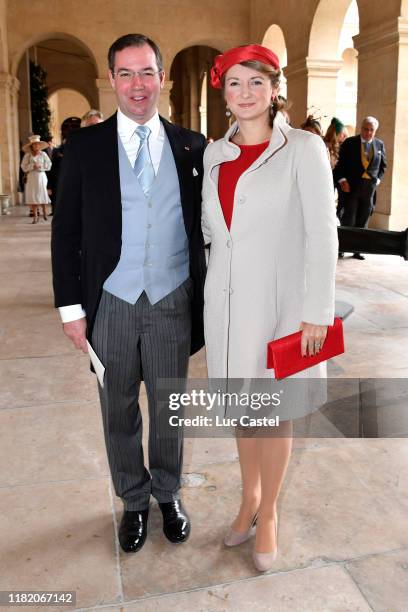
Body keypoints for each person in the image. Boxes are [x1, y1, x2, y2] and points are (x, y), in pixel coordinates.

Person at [51, 34, 206, 554]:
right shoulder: (83, 148)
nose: (137, 85)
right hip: (110, 303)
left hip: (171, 301)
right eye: (126, 74)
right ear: (112, 80)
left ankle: (168, 493)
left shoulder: (192, 147)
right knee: (117, 408)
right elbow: (66, 233)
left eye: (146, 73)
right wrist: (72, 310)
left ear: (161, 77)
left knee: (169, 408)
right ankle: (133, 500)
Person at [202, 45, 338, 572]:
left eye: (256, 82)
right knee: (243, 411)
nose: (245, 93)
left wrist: (316, 312)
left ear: (275, 89)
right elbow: (213, 234)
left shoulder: (302, 148)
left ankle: (272, 512)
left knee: (275, 414)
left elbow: (323, 235)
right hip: (229, 307)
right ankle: (248, 498)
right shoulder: (214, 155)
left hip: (283, 307)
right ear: (224, 93)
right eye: (234, 83)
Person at [334, 116, 387, 259]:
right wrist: (342, 180)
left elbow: (383, 166)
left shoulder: (379, 145)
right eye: (365, 129)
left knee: (363, 219)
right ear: (361, 128)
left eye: (371, 130)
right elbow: (340, 166)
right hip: (351, 187)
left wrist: (377, 181)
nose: (368, 133)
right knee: (348, 218)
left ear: (375, 131)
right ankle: (343, 247)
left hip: (369, 189)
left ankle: (358, 249)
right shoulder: (350, 143)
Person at [48, 117, 82, 216]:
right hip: (57, 179)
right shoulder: (56, 151)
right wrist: (49, 185)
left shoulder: (78, 149)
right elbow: (52, 168)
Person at [21, 135, 52, 223]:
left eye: (37, 144)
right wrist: (32, 166)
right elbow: (23, 166)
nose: (36, 146)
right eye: (34, 145)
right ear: (31, 146)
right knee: (33, 197)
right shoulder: (27, 155)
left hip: (41, 176)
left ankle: (45, 212)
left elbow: (49, 165)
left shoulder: (43, 154)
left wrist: (40, 167)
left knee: (42, 194)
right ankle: (35, 216)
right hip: (31, 178)